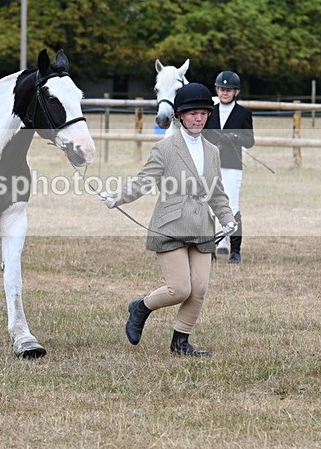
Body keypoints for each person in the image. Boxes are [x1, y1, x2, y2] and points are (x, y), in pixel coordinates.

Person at [99, 83, 236, 357]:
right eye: (192, 113)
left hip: (201, 229)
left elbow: (217, 191)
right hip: (170, 225)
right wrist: (117, 197)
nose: (198, 118)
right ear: (180, 116)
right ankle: (141, 306)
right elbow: (143, 181)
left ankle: (181, 343)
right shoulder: (164, 148)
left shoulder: (212, 151)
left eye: (203, 113)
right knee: (179, 288)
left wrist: (227, 218)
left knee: (199, 289)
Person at [203, 71, 255, 265]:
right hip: (210, 165)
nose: (225, 93)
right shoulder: (209, 111)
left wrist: (234, 137)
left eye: (229, 90)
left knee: (232, 206)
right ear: (217, 90)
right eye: (222, 89)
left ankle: (235, 250)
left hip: (232, 166)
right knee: (208, 206)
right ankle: (209, 248)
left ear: (235, 92)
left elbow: (250, 141)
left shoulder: (244, 113)